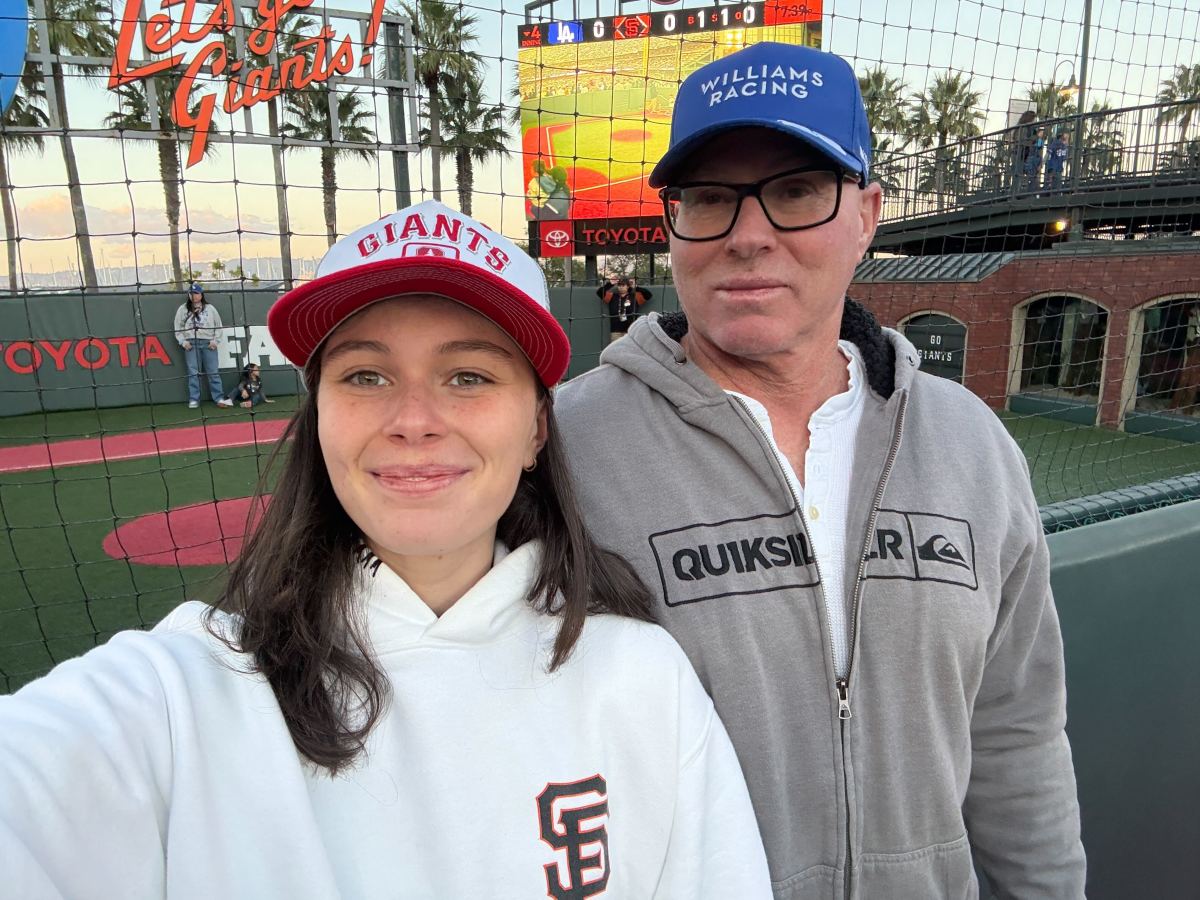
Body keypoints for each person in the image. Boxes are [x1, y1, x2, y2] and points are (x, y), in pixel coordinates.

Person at [0, 200, 771, 899]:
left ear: (537, 426)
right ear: (320, 416)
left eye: (468, 375)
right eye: (366, 375)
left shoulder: (643, 678)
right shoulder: (181, 698)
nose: (413, 419)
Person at [555, 42, 1086, 899]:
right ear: (673, 223)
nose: (747, 235)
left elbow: (1015, 732)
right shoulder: (563, 448)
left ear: (867, 214)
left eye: (797, 191)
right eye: (711, 198)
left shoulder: (972, 447)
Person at [173, 282, 225, 408]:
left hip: (208, 343)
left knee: (213, 372)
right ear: (188, 295)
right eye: (191, 293)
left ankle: (219, 398)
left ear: (201, 295)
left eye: (196, 293)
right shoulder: (183, 309)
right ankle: (194, 399)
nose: (194, 296)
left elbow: (218, 325)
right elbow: (177, 327)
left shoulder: (210, 308)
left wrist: (216, 341)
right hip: (191, 343)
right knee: (193, 373)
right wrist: (183, 342)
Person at [597, 277, 645, 342]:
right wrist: (610, 284)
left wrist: (635, 286)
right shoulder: (612, 296)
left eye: (623, 285)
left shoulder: (634, 297)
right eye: (619, 285)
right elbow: (599, 292)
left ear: (627, 286)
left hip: (630, 331)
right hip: (616, 332)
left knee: (630, 348)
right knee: (616, 348)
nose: (621, 287)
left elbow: (648, 295)